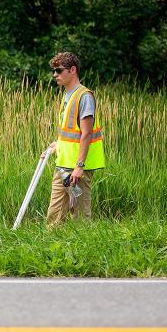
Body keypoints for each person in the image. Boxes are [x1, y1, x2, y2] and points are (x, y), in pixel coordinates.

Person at [42, 52, 105, 226]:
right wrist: (57, 144)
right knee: (54, 215)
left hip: (78, 168)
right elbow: (71, 131)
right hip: (62, 163)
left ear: (72, 70)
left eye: (59, 70)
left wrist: (79, 167)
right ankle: (50, 249)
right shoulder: (67, 95)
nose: (55, 74)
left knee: (79, 217)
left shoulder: (84, 96)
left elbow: (86, 133)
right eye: (54, 71)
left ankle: (84, 250)